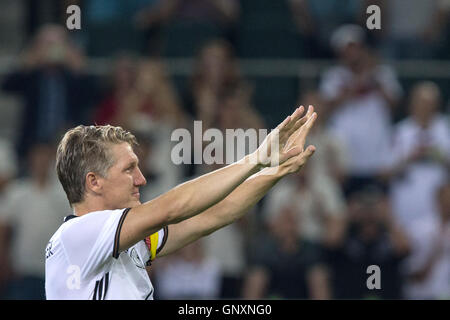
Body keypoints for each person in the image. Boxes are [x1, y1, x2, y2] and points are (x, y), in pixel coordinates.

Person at [45, 106, 318, 299]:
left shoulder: (131, 243)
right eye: (129, 169)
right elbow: (172, 208)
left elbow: (215, 214)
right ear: (94, 182)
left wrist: (275, 169)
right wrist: (255, 158)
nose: (141, 179)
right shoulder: (76, 235)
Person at [319, 24, 403, 197]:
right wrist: (351, 90)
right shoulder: (334, 76)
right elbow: (323, 110)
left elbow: (396, 105)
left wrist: (374, 80)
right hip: (346, 160)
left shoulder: (382, 73)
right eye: (347, 49)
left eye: (355, 47)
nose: (352, 54)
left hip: (377, 156)